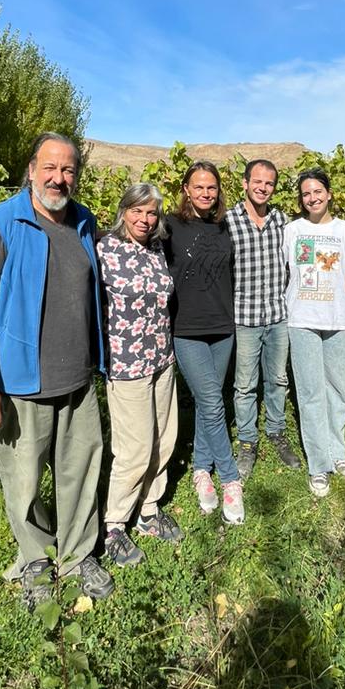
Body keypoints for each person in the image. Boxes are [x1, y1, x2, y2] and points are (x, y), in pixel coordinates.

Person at [0, 132, 114, 605]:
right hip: (20, 383)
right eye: (50, 168)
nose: (58, 178)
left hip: (78, 380)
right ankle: (34, 558)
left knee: (81, 473)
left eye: (68, 170)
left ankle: (78, 553)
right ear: (31, 170)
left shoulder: (84, 222)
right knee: (24, 483)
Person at [98, 182, 184, 566]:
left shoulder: (155, 251)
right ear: (124, 211)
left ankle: (149, 509)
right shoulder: (105, 251)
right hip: (127, 365)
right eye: (138, 211)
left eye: (151, 213)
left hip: (161, 359)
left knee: (164, 439)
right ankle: (114, 524)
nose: (145, 220)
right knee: (133, 449)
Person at [283, 169, 345, 498]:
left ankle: (338, 452)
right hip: (302, 320)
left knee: (338, 390)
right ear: (301, 199)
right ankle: (319, 465)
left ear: (329, 193)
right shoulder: (292, 231)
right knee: (309, 394)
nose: (313, 198)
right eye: (306, 193)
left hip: (339, 321)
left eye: (318, 191)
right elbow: (283, 274)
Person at [163, 161, 244, 524]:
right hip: (187, 330)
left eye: (211, 188)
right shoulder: (170, 226)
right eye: (198, 187)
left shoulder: (225, 226)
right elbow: (134, 234)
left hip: (223, 329)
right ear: (186, 189)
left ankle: (200, 469)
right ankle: (230, 479)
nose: (206, 194)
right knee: (213, 402)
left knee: (206, 402)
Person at [225, 159, 301, 480]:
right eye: (257, 181)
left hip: (277, 315)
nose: (263, 188)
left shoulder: (284, 222)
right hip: (243, 317)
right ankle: (247, 440)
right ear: (245, 183)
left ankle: (276, 431)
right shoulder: (227, 221)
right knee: (244, 385)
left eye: (269, 184)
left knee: (277, 380)